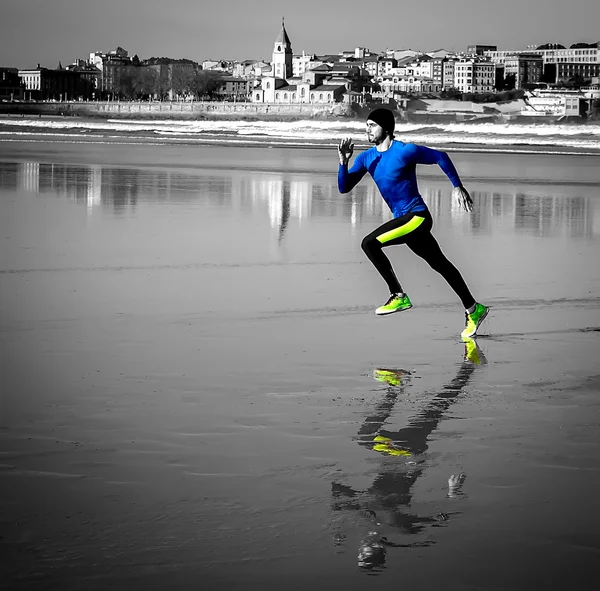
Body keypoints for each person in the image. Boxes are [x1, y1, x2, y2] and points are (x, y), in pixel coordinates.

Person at [337, 108, 488, 338]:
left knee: (369, 244)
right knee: (441, 265)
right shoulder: (367, 158)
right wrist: (343, 162)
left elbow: (440, 156)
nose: (367, 129)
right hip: (405, 221)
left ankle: (398, 296)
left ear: (386, 128)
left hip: (417, 217)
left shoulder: (405, 151)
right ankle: (473, 309)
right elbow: (344, 187)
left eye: (372, 125)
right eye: (366, 124)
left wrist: (457, 186)